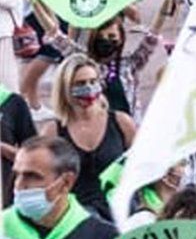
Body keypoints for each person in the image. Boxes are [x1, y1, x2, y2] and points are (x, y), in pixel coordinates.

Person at [48, 55, 134, 219]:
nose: (88, 88)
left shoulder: (121, 122)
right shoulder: (54, 132)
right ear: (65, 88)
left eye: (93, 81)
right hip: (79, 218)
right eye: (80, 84)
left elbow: (140, 168)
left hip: (122, 211)